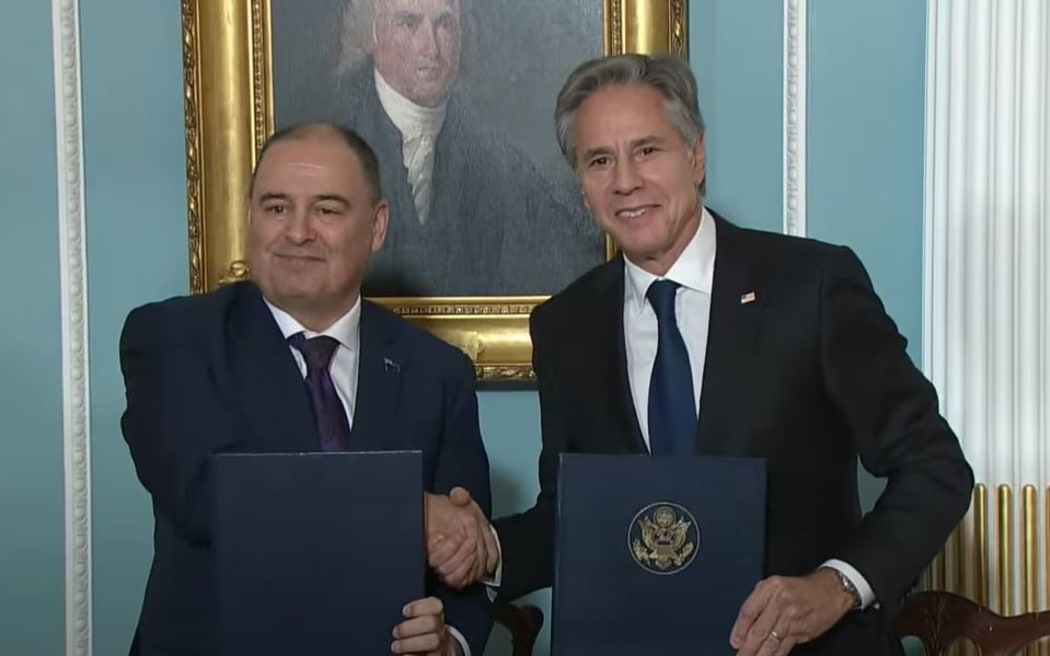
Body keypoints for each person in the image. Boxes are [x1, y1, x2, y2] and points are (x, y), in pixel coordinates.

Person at [428, 54, 975, 655]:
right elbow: (576, 516)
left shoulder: (811, 286)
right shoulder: (566, 325)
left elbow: (935, 467)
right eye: (599, 160)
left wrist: (837, 585)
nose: (625, 181)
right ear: (581, 184)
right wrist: (487, 548)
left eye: (647, 150)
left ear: (696, 156)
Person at [119, 122, 494, 655]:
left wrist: (450, 642)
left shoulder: (437, 371)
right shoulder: (173, 339)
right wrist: (405, 512)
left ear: (377, 227)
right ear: (250, 217)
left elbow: (465, 552)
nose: (297, 232)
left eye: (327, 210)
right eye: (276, 207)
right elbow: (211, 497)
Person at [275, 0, 601, 297]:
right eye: (409, 23)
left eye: (444, 24)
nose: (430, 48)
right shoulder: (323, 130)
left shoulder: (497, 156)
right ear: (374, 31)